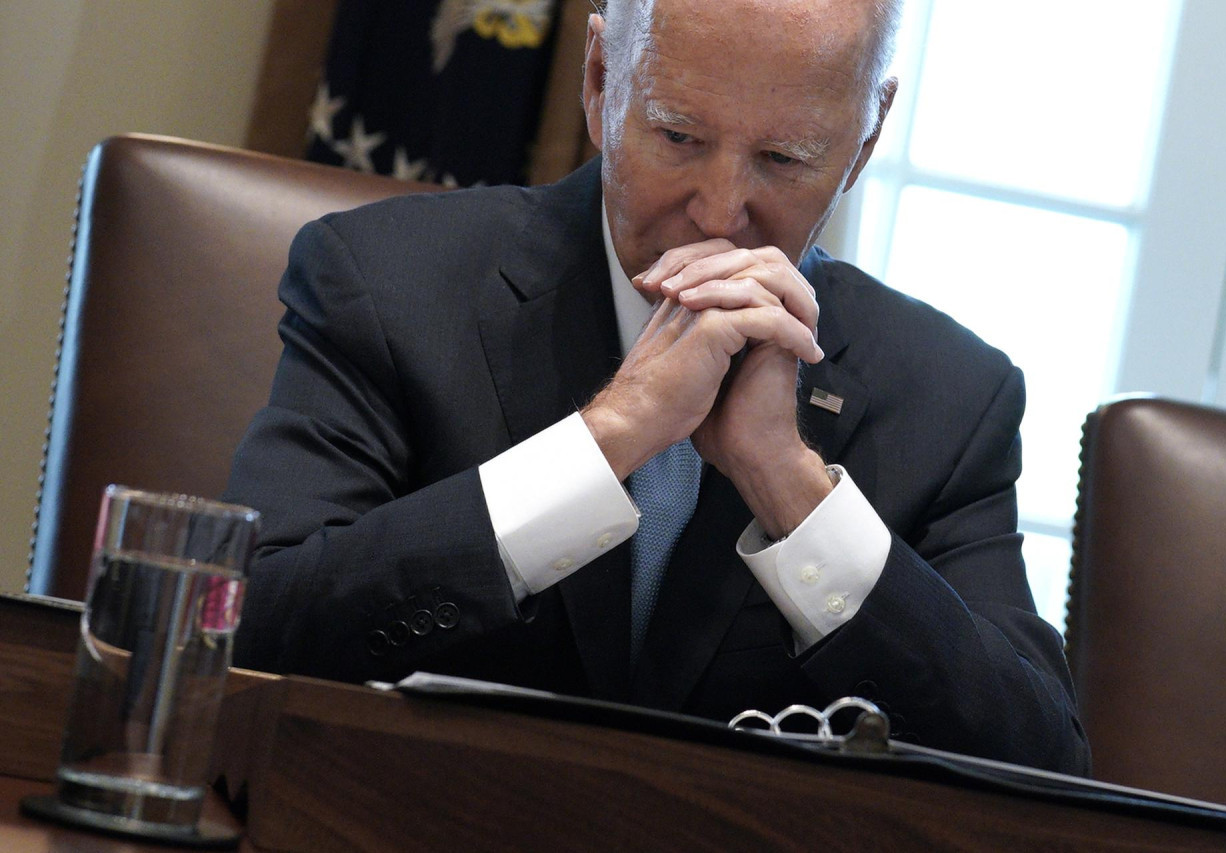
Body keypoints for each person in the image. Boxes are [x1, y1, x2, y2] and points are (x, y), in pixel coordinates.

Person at [225, 0, 1090, 774]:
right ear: (602, 82)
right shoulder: (384, 283)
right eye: (678, 136)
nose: (720, 212)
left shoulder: (950, 396)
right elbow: (250, 629)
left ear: (864, 142)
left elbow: (1040, 769)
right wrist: (611, 435)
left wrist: (790, 485)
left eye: (785, 158)